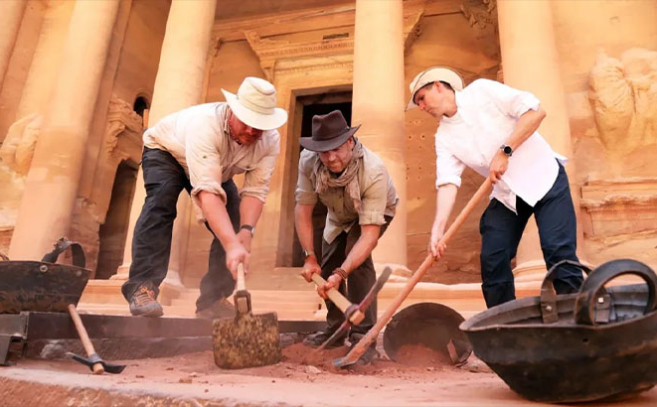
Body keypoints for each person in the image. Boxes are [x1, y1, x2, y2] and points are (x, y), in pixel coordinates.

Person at [408, 67, 583, 308]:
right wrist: (437, 230)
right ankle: (503, 329)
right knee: (493, 258)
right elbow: (448, 182)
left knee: (557, 252)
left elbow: (535, 112)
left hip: (545, 178)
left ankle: (578, 320)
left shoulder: (482, 91)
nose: (421, 107)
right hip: (508, 195)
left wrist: (505, 151)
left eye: (421, 98)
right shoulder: (444, 137)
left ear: (438, 86)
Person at [122, 77, 288, 318]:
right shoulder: (206, 124)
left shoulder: (270, 141)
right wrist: (231, 246)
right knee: (161, 205)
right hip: (168, 152)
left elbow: (255, 191)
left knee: (230, 223)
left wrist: (245, 231)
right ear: (232, 110)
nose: (253, 131)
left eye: (260, 125)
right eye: (248, 122)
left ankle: (213, 301)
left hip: (215, 168)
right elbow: (207, 191)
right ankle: (142, 287)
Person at [295, 110, 398, 364]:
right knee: (328, 265)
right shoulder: (309, 161)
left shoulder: (373, 170)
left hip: (373, 214)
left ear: (350, 142)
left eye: (337, 149)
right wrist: (309, 257)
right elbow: (303, 209)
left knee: (357, 263)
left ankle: (365, 338)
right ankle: (336, 329)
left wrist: (342, 274)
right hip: (338, 215)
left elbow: (369, 235)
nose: (330, 158)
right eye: (324, 151)